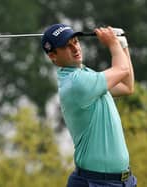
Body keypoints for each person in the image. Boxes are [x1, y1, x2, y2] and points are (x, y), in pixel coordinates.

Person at [41, 23, 137, 187]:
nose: (75, 48)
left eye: (76, 41)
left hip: (123, 181)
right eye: (66, 46)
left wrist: (122, 44)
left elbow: (127, 86)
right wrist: (113, 43)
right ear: (53, 56)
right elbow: (122, 69)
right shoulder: (76, 84)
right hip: (96, 182)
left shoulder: (87, 75)